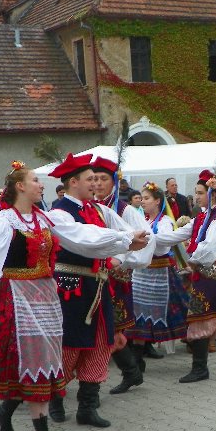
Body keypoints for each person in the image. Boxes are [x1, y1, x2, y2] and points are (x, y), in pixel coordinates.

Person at [0, 161, 146, 431]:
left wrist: (124, 240)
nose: (41, 185)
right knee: (32, 363)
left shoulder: (45, 219)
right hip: (17, 300)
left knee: (47, 364)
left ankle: (6, 409)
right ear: (20, 186)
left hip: (46, 298)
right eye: (35, 180)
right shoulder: (5, 222)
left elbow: (82, 235)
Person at [47, 153, 151, 427]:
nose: (96, 184)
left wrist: (123, 253)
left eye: (97, 179)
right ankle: (55, 398)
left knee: (100, 344)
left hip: (99, 286)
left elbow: (130, 233)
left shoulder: (100, 210)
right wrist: (125, 240)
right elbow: (85, 239)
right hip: (71, 289)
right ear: (73, 182)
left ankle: (87, 406)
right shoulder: (58, 213)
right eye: (90, 179)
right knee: (69, 346)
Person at [154, 170, 216, 383]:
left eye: (200, 193)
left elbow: (209, 249)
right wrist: (152, 239)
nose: (196, 196)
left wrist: (191, 260)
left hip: (208, 276)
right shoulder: (202, 217)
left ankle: (200, 369)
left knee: (199, 320)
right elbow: (179, 234)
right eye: (196, 192)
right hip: (203, 276)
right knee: (210, 321)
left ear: (212, 194)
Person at [89, 156, 152, 395]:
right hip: (97, 276)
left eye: (103, 179)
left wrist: (121, 261)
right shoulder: (92, 207)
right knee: (105, 328)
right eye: (94, 179)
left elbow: (146, 241)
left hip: (116, 278)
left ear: (114, 182)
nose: (98, 183)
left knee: (110, 328)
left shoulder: (124, 210)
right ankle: (131, 371)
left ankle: (129, 372)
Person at [128, 182, 190, 365]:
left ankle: (203, 350)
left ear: (157, 201)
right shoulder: (144, 221)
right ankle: (137, 364)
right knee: (139, 314)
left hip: (162, 273)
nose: (142, 201)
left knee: (182, 313)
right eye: (141, 198)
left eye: (146, 198)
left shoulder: (165, 222)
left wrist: (146, 239)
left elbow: (164, 245)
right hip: (142, 274)